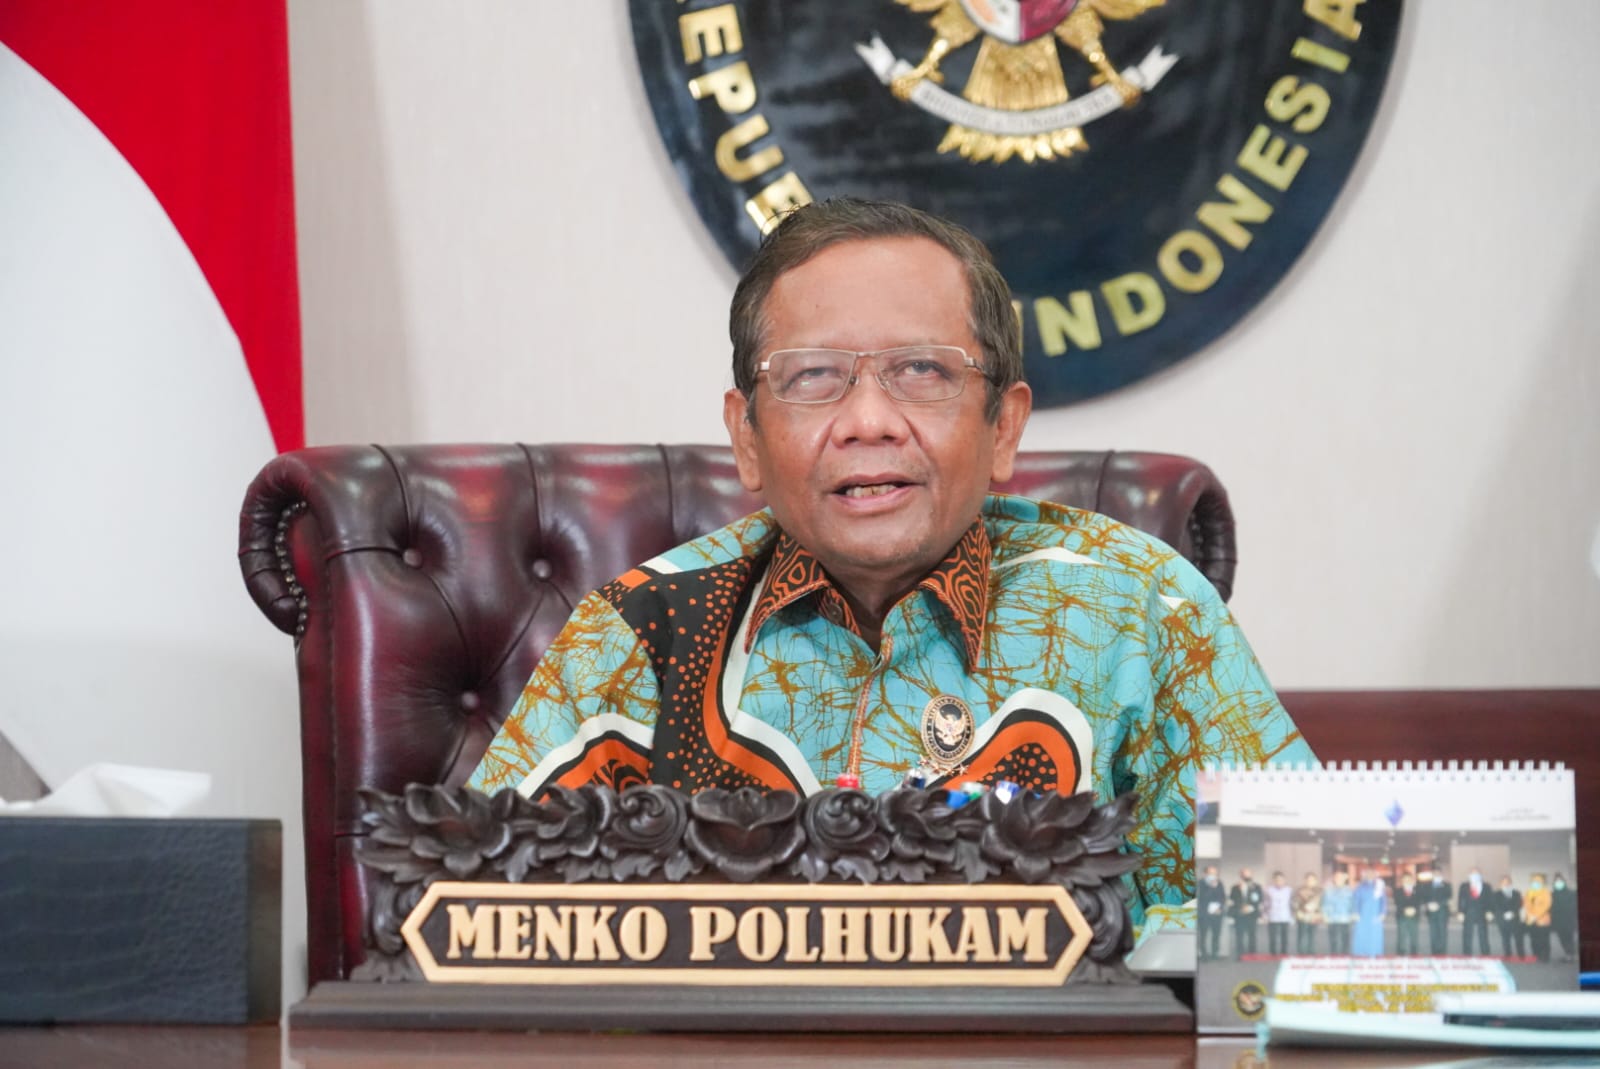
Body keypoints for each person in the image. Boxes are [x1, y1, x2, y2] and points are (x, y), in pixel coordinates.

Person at [466, 197, 1313, 920]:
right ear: (746, 437)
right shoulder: (641, 632)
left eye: (921, 370)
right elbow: (474, 918)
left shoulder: (1144, 612)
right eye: (813, 376)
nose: (868, 420)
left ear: (1004, 426)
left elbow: (1307, 921)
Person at [1352, 867, 1387, 957]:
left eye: (1372, 873)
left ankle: (1374, 951)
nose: (1370, 875)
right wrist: (1355, 912)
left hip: (1376, 913)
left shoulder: (1379, 886)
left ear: (1375, 875)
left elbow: (1383, 901)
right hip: (1363, 913)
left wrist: (1383, 913)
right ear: (1365, 875)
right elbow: (1356, 900)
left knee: (1375, 933)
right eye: (1368, 873)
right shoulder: (1360, 886)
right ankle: (1361, 952)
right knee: (1362, 933)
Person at [1230, 869, 1263, 957]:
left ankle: (1252, 953)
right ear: (1241, 875)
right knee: (1239, 934)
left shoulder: (1256, 887)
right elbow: (1232, 900)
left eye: (1248, 874)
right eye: (1244, 874)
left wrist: (1250, 907)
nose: (1247, 876)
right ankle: (1240, 953)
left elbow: (1259, 899)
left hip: (1252, 914)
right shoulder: (1235, 887)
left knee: (1252, 934)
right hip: (1239, 914)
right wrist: (1241, 907)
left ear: (1251, 875)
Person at [1458, 869, 1492, 956]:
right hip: (1468, 912)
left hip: (1482, 912)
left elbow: (1490, 899)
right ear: (1469, 875)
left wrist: (1489, 911)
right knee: (1467, 934)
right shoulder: (1464, 886)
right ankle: (1466, 954)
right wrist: (1460, 912)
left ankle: (1485, 953)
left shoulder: (1487, 886)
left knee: (1483, 933)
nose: (1475, 876)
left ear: (1480, 875)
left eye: (1477, 874)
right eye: (1473, 874)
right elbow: (1461, 899)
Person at [1419, 866, 1452, 955]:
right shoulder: (1426, 885)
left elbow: (1448, 896)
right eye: (1434, 874)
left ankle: (1442, 952)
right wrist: (1428, 904)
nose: (1436, 875)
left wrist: (1438, 904)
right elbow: (1423, 897)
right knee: (1433, 932)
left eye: (1438, 873)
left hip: (1442, 912)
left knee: (1442, 932)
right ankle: (1434, 952)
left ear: (1441, 874)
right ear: (1432, 875)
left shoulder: (1446, 885)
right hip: (1431, 912)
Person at [1198, 865, 1227, 960]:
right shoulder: (1200, 883)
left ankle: (1215, 954)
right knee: (1203, 935)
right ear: (1205, 874)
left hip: (1217, 913)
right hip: (1204, 914)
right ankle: (1204, 955)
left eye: (1215, 873)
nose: (1213, 875)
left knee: (1216, 934)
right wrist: (1211, 887)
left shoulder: (1219, 883)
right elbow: (1202, 898)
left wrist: (1220, 908)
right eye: (1211, 873)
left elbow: (1223, 897)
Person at [1522, 873, 1553, 962]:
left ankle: (1545, 956)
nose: (1536, 883)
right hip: (1531, 920)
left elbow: (1547, 905)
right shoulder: (1528, 892)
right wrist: (1530, 915)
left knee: (1544, 939)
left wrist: (1536, 916)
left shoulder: (1545, 892)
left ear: (1542, 882)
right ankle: (1536, 954)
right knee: (1533, 938)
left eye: (1538, 882)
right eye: (1534, 882)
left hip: (1543, 919)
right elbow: (1526, 904)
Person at [1322, 870, 1355, 955]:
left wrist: (1353, 914)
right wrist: (1325, 915)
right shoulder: (1329, 890)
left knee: (1345, 939)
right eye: (1337, 878)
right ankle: (1334, 955)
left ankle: (1345, 955)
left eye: (1340, 878)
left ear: (1344, 879)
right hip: (1332, 918)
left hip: (1345, 918)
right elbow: (1325, 903)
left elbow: (1353, 903)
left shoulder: (1349, 890)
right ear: (1334, 879)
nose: (1338, 879)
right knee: (1333, 939)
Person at [1292, 872, 1324, 954]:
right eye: (1308, 880)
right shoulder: (1299, 890)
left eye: (1312, 880)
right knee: (1302, 936)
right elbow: (1294, 902)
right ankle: (1301, 954)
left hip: (1314, 916)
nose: (1310, 881)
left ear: (1316, 881)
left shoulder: (1320, 891)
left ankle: (1311, 953)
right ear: (1305, 880)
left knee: (1312, 936)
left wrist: (1320, 913)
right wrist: (1297, 912)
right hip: (1302, 916)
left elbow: (1323, 903)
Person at [1493, 875, 1524, 958]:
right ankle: (1507, 954)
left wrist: (1512, 913)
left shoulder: (1516, 893)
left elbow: (1519, 904)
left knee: (1518, 937)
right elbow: (1496, 905)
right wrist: (1504, 914)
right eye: (1504, 883)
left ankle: (1521, 954)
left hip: (1514, 919)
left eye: (1508, 883)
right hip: (1502, 919)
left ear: (1511, 883)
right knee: (1505, 938)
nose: (1506, 884)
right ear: (1500, 884)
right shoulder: (1496, 894)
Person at [1394, 871, 1423, 956]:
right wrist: (1405, 910)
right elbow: (1397, 902)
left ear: (1412, 880)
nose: (1407, 881)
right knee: (1401, 935)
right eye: (1405, 880)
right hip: (1402, 916)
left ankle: (1414, 952)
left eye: (1408, 879)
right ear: (1402, 881)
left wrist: (1414, 909)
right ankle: (1401, 953)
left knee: (1414, 935)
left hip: (1414, 916)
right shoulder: (1398, 891)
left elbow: (1419, 902)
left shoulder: (1417, 890)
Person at [1264, 871, 1293, 956]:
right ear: (1273, 880)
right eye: (1277, 880)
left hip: (1285, 915)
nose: (1279, 881)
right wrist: (1265, 915)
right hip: (1273, 916)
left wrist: (1292, 915)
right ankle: (1272, 953)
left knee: (1285, 936)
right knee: (1272, 936)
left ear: (1284, 880)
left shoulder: (1289, 890)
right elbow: (1265, 903)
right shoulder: (1268, 890)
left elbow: (1291, 903)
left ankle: (1284, 952)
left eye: (1281, 880)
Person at [1552, 873, 1578, 961]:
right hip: (1558, 921)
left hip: (1568, 920)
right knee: (1561, 938)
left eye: (1560, 881)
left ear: (1564, 882)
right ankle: (1567, 954)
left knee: (1569, 938)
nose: (1558, 883)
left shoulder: (1571, 893)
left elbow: (1574, 906)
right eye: (1556, 881)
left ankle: (1572, 955)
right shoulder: (1553, 894)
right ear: (1554, 883)